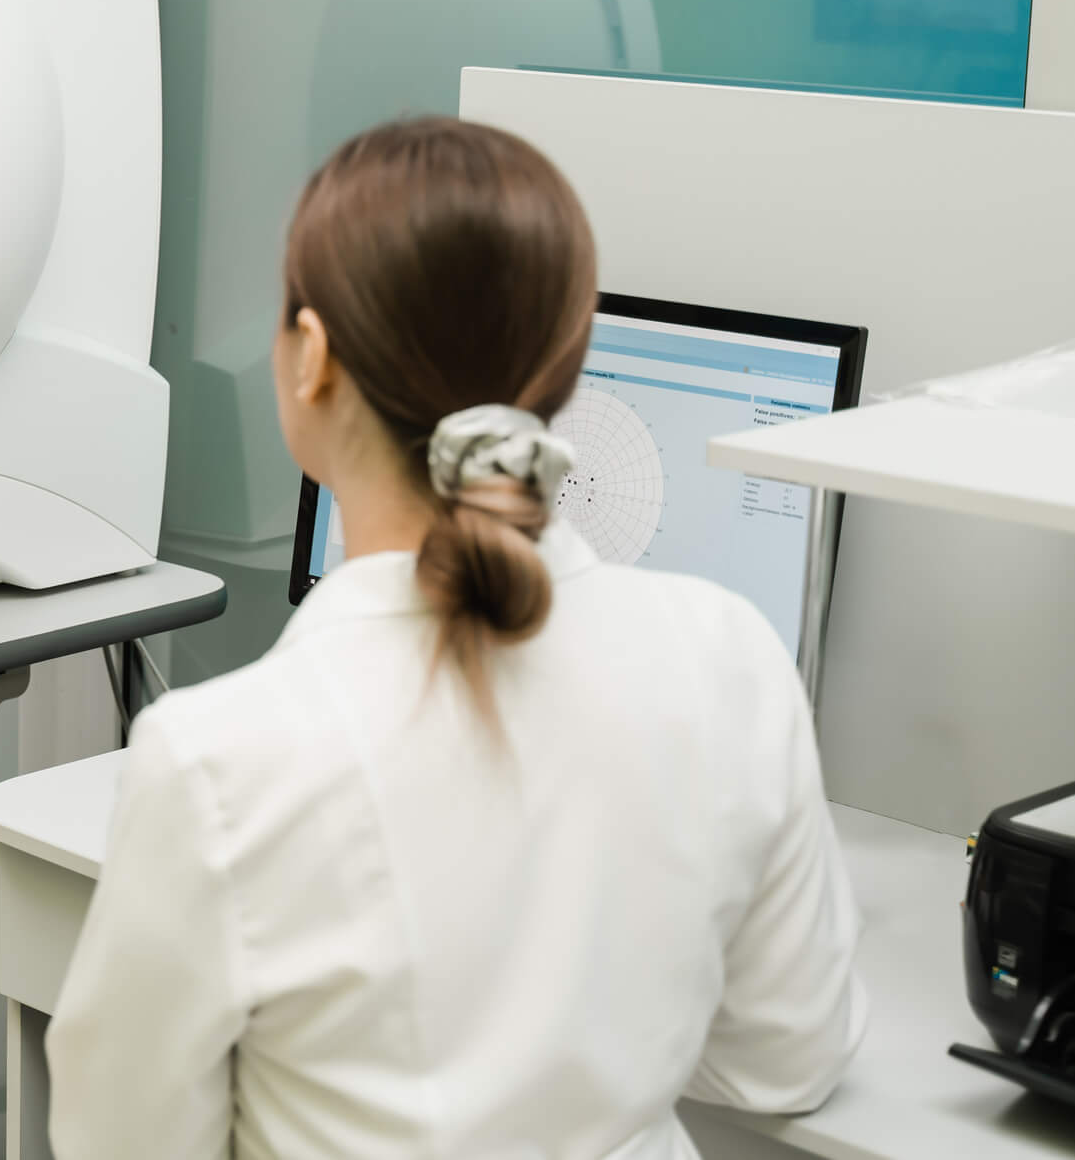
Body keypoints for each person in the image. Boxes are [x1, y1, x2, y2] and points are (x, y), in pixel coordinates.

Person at [45, 118, 866, 1159]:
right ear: (562, 371)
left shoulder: (220, 762)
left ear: (315, 358)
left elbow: (125, 1145)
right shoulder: (730, 657)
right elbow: (786, 1061)